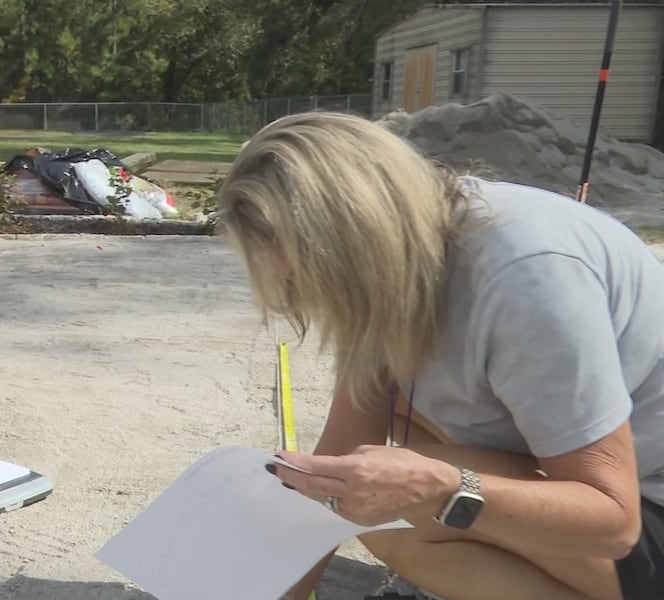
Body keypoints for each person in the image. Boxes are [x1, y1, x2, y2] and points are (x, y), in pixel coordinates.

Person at [217, 111, 664, 600]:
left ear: (352, 246)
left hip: (639, 515)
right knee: (364, 503)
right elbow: (335, 464)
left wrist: (444, 487)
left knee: (401, 501)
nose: (308, 300)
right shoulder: (406, 245)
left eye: (306, 280)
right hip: (594, 495)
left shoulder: (527, 282)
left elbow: (614, 521)